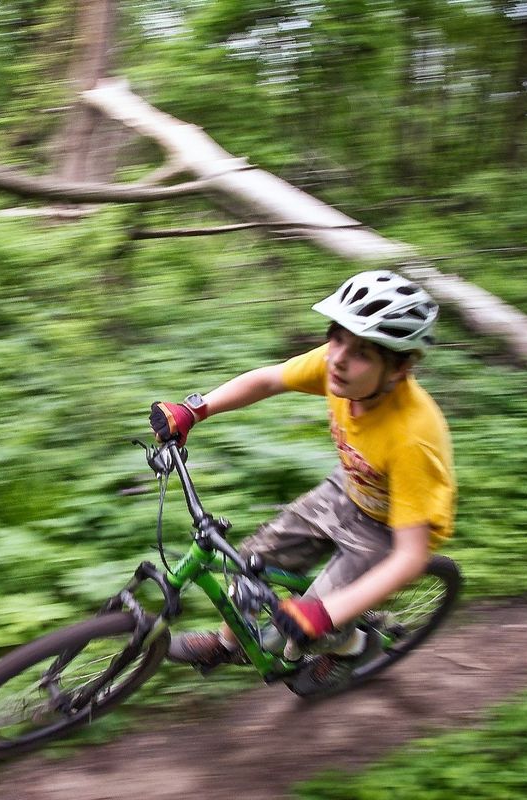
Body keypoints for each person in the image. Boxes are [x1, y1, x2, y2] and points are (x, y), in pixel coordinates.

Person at [149, 270, 455, 695]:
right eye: (337, 337)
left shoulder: (413, 437)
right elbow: (269, 379)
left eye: (362, 351)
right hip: (348, 490)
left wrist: (327, 613)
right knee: (249, 561)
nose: (339, 357)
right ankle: (228, 644)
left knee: (305, 622)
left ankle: (351, 646)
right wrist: (194, 410)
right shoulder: (340, 367)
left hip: (390, 530)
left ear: (400, 367)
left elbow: (410, 557)